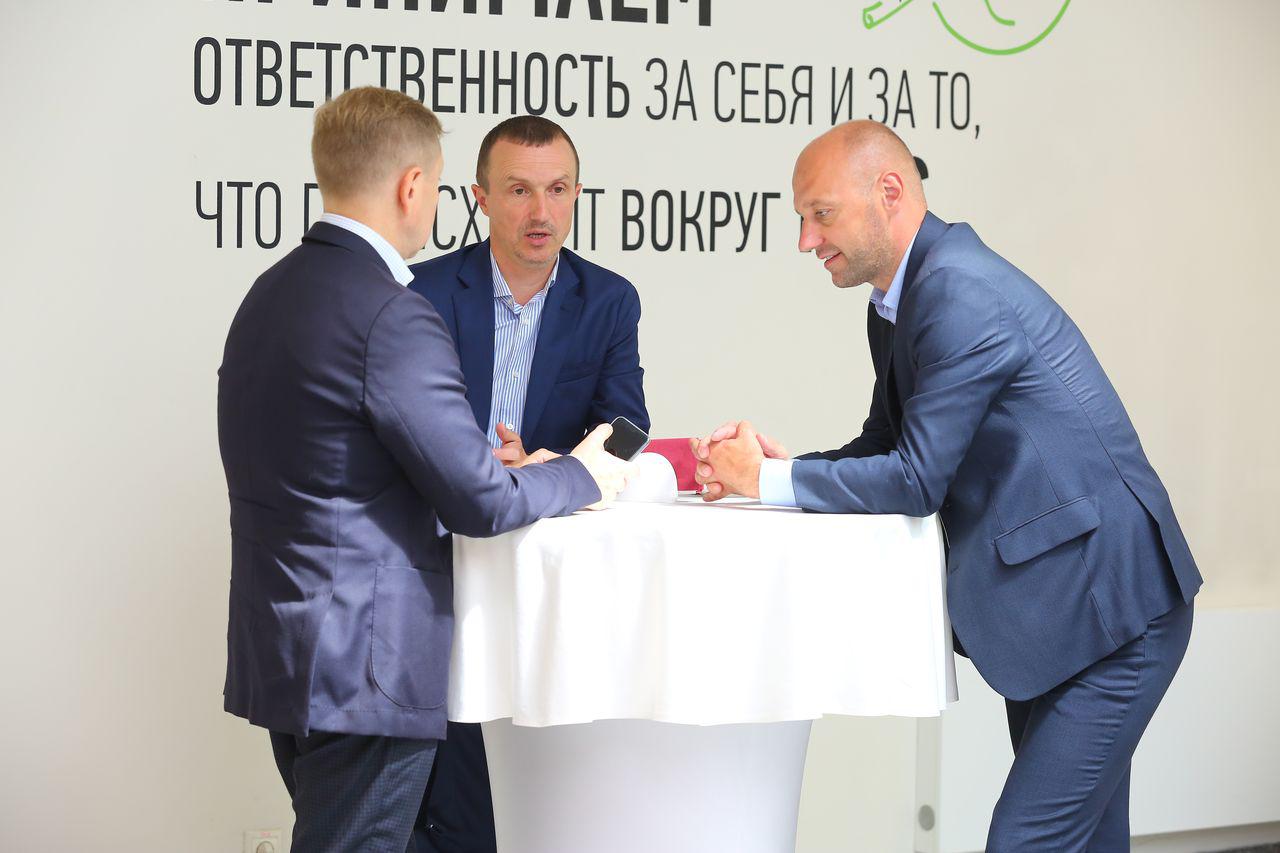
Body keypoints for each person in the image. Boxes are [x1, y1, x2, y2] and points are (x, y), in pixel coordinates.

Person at [692, 120, 1201, 852]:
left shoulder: (959, 292)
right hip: (1066, 611)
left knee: (1025, 841)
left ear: (889, 191)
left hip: (1112, 608)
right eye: (802, 218)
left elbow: (914, 479)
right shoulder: (901, 301)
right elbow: (887, 446)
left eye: (821, 214)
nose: (806, 240)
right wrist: (779, 468)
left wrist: (770, 479)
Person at [217, 86, 626, 853]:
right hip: (365, 660)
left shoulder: (270, 293)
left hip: (288, 648)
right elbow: (479, 498)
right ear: (413, 186)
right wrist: (583, 473)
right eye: (437, 185)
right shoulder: (392, 311)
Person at [407, 115, 648, 853]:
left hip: (543, 570)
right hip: (433, 564)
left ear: (576, 194)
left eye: (557, 189)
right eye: (518, 190)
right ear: (480, 197)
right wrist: (474, 464)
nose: (541, 212)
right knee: (445, 795)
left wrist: (544, 462)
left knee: (547, 795)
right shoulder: (422, 291)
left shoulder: (608, 300)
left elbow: (627, 431)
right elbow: (394, 423)